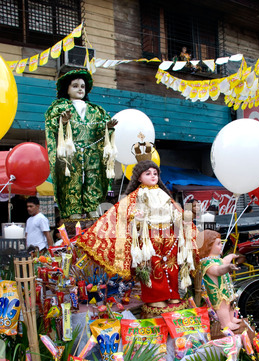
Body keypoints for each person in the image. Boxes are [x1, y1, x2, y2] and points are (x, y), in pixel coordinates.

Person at [77, 160, 202, 317]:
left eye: (155, 173)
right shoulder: (134, 197)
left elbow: (177, 215)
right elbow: (120, 215)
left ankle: (173, 295)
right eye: (148, 173)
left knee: (172, 268)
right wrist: (135, 217)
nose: (152, 176)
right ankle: (157, 298)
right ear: (138, 178)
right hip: (148, 241)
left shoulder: (164, 195)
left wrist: (184, 218)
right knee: (152, 269)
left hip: (170, 239)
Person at [45, 69, 117, 220]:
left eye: (82, 86)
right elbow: (52, 127)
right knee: (72, 182)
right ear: (67, 89)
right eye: (75, 86)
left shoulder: (96, 111)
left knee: (93, 181)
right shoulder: (59, 108)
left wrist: (107, 128)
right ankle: (73, 212)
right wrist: (63, 122)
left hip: (91, 154)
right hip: (72, 155)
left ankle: (92, 209)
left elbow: (99, 131)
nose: (79, 89)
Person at [198, 229, 241, 330]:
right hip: (217, 292)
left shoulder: (216, 259)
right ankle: (225, 323)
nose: (221, 246)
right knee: (222, 307)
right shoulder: (206, 262)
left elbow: (224, 261)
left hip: (225, 289)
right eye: (218, 244)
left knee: (229, 304)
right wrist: (228, 268)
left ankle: (231, 319)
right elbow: (217, 270)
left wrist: (230, 256)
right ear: (208, 246)